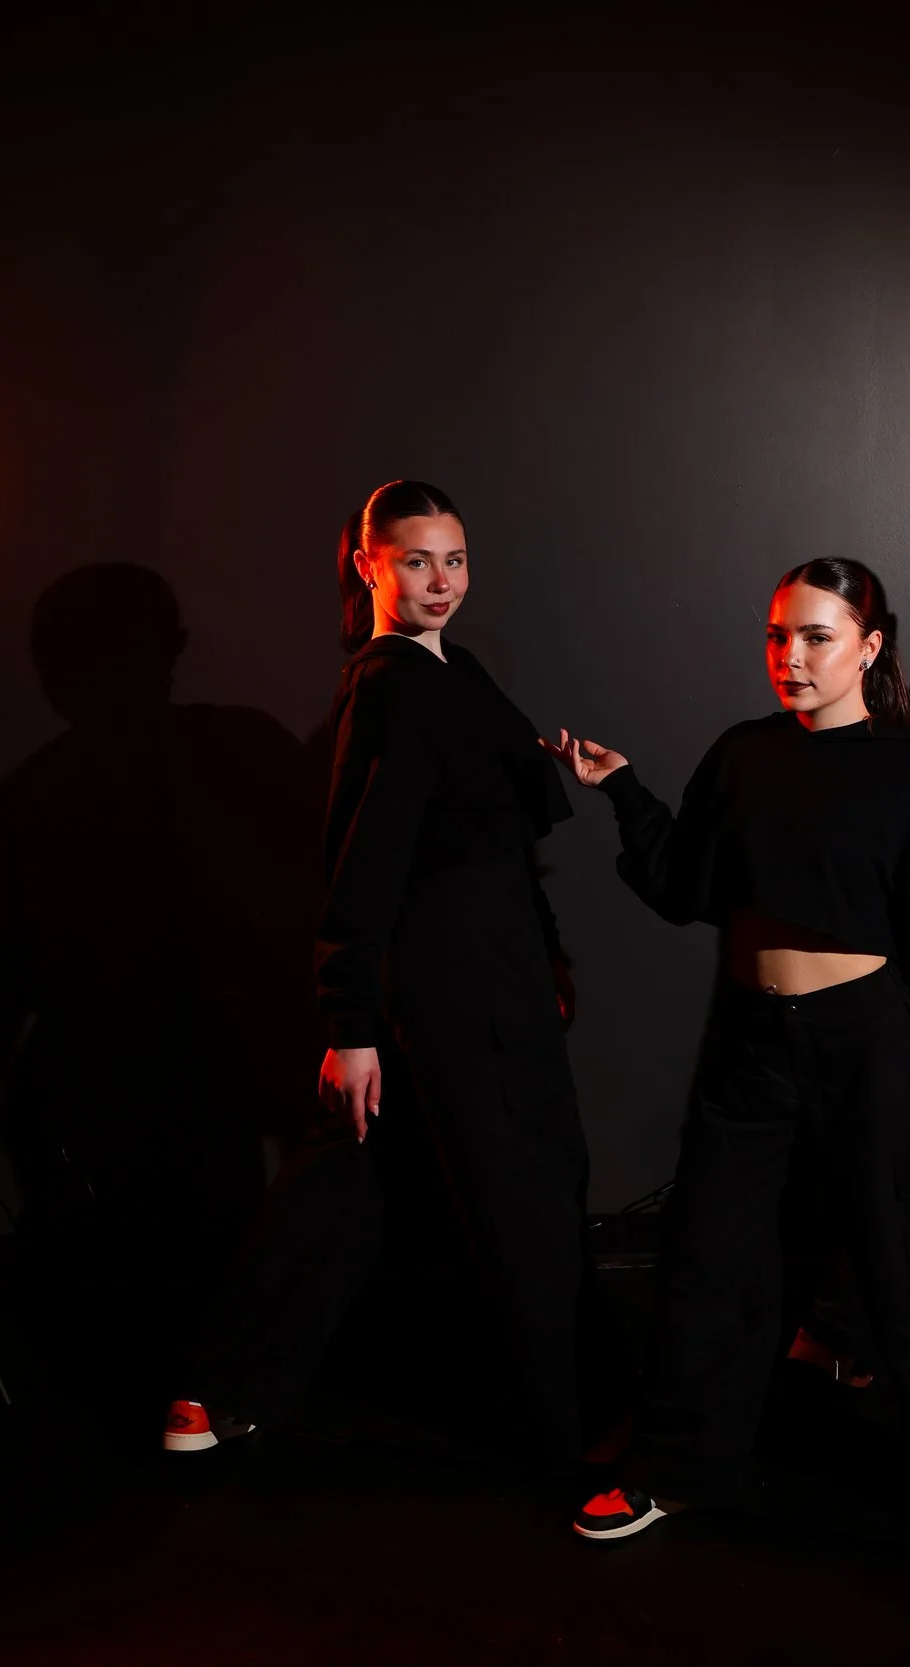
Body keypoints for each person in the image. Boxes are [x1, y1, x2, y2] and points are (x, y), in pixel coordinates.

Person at [544, 558, 910, 1555]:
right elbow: (683, 886)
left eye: (816, 637)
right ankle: (669, 1465)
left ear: (869, 648)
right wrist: (622, 789)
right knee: (707, 1252)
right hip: (750, 1040)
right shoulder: (744, 753)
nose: (790, 656)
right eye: (776, 636)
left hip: (867, 1038)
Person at [0, 563, 375, 1442]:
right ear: (173, 648)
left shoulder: (28, 801)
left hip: (123, 1100)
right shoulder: (243, 751)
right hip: (223, 1089)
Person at [310, 478, 616, 1475]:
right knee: (513, 1196)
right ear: (369, 566)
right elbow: (360, 862)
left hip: (507, 965)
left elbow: (504, 834)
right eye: (416, 561)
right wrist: (349, 1024)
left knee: (540, 1179)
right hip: (450, 976)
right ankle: (560, 1431)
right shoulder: (388, 683)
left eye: (455, 560)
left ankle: (572, 1403)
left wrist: (547, 951)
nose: (441, 581)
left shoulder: (457, 667)